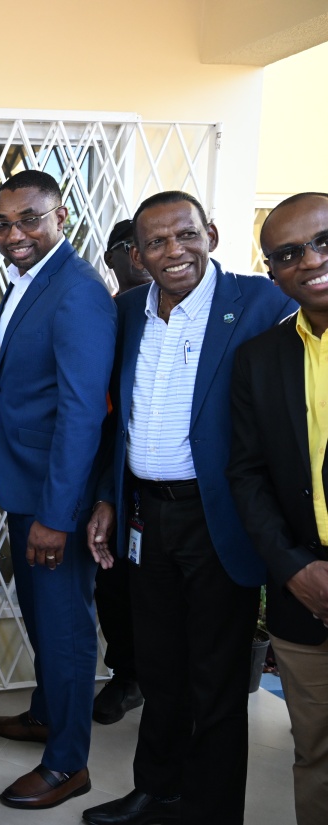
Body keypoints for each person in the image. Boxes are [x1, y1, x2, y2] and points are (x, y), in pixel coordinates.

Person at [82, 191, 295, 825]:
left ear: (212, 234)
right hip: (147, 514)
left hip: (220, 515)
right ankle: (156, 789)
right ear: (137, 254)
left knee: (218, 678)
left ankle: (210, 810)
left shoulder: (261, 303)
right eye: (156, 242)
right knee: (159, 664)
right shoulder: (127, 311)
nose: (173, 251)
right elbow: (115, 419)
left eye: (185, 235)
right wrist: (106, 499)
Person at [0, 169, 116, 809]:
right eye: (4, 223)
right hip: (23, 484)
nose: (16, 234)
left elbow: (82, 411)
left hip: (52, 500)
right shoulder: (27, 282)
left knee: (63, 627)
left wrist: (58, 516)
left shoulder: (77, 290)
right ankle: (44, 712)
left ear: (60, 216)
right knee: (40, 615)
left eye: (29, 219)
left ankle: (69, 764)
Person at [228, 191, 328, 825]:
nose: (310, 261)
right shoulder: (260, 359)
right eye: (288, 253)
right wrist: (293, 568)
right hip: (303, 591)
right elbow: (247, 474)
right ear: (272, 271)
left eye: (322, 241)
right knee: (314, 752)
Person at [92, 218, 147, 726]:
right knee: (113, 582)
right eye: (133, 248)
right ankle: (126, 674)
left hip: (182, 483)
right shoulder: (110, 313)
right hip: (113, 474)